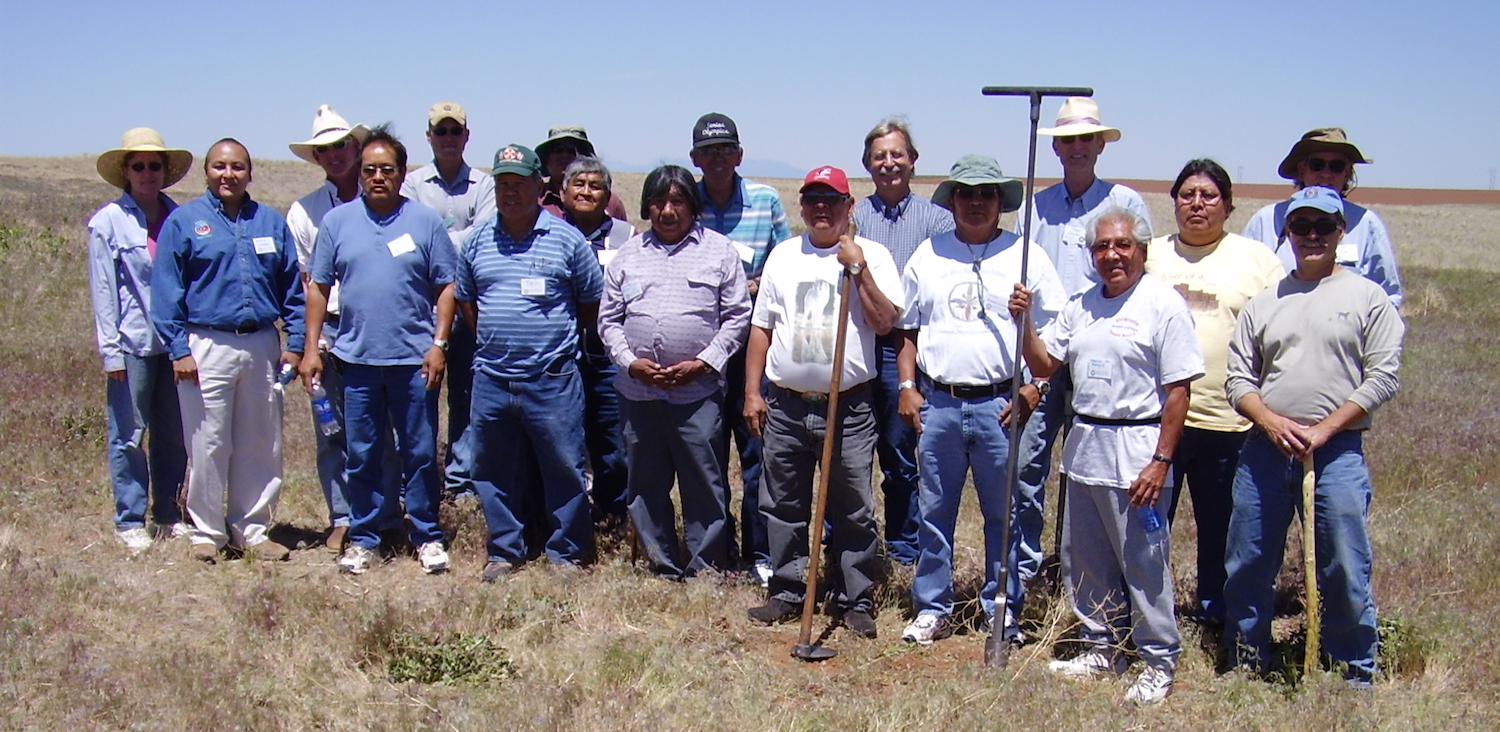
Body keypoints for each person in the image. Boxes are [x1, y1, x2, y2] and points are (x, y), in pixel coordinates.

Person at [1010, 207, 1204, 705]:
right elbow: (1044, 363)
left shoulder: (1163, 305)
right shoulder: (1082, 305)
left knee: (1143, 560)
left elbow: (1178, 391)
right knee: (1087, 559)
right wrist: (1024, 321)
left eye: (1122, 245)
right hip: (1086, 446)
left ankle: (1158, 658)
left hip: (1138, 448)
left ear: (1141, 249)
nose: (1112, 255)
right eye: (1102, 247)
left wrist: (1160, 461)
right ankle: (1103, 646)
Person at [1222, 186, 1404, 688]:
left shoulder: (1367, 298)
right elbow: (1238, 380)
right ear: (1289, 234)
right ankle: (1245, 661)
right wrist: (1272, 423)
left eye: (1324, 226)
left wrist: (1325, 429)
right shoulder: (1265, 302)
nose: (1312, 236)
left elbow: (1383, 376)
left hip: (1337, 453)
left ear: (1341, 232)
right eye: (1302, 227)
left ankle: (1352, 668)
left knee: (1344, 563)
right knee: (1249, 561)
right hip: (1265, 451)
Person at [895, 156, 1064, 645]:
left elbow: (1055, 336)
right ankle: (931, 607)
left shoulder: (1024, 255)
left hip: (1002, 406)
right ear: (952, 201)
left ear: (999, 203)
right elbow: (908, 329)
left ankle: (1002, 607)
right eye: (966, 194)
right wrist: (908, 388)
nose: (976, 202)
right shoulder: (929, 254)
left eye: (986, 194)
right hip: (940, 402)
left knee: (1004, 513)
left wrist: (1036, 387)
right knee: (934, 510)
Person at [743, 166, 900, 638]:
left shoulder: (870, 255)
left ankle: (855, 597)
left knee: (852, 505)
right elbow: (761, 329)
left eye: (831, 200)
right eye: (812, 199)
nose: (821, 209)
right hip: (787, 404)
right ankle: (789, 589)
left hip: (846, 406)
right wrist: (752, 392)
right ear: (803, 206)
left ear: (849, 206)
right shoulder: (784, 256)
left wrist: (858, 269)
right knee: (782, 501)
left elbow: (886, 321)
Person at [301, 127, 457, 576]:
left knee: (420, 451)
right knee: (363, 451)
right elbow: (318, 288)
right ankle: (365, 536)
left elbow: (446, 286)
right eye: (369, 170)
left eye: (387, 170)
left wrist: (439, 344)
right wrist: (312, 349)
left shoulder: (424, 222)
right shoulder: (337, 223)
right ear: (360, 173)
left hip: (414, 360)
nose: (377, 177)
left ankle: (427, 533)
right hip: (357, 360)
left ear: (402, 173)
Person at [1015, 97, 1154, 594]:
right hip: (1047, 359)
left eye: (1084, 140)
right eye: (1067, 140)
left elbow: (1140, 278)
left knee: (1091, 473)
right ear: (1056, 149)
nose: (1076, 148)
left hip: (1105, 356)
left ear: (1100, 144)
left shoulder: (1125, 204)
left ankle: (1088, 572)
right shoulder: (1037, 207)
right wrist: (1035, 375)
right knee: (1027, 466)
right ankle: (1026, 573)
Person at [1144, 159, 1285, 626]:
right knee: (1148, 525)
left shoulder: (1257, 260)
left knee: (1219, 527)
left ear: (1228, 205)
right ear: (1174, 203)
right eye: (1187, 195)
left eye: (1208, 196)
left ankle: (1215, 615)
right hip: (1158, 419)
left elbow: (1278, 334)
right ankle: (1147, 610)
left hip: (1228, 421)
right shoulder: (1151, 256)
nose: (1197, 204)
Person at [151, 139, 305, 564]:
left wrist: (294, 344)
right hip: (206, 344)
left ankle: (252, 529)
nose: (228, 175)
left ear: (250, 173)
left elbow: (292, 288)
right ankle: (207, 532)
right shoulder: (185, 223)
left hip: (260, 343)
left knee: (260, 440)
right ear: (206, 172)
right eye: (219, 166)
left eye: (237, 167)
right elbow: (166, 292)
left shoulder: (270, 223)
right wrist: (179, 349)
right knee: (208, 440)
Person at [455, 144, 603, 581]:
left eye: (520, 183)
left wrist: (550, 343)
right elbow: (467, 301)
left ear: (541, 186)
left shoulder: (566, 239)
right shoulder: (477, 239)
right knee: (492, 467)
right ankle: (505, 549)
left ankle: (568, 553)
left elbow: (589, 302)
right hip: (493, 377)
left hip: (552, 378)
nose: (511, 192)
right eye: (503, 183)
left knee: (563, 466)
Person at [597, 165, 750, 578]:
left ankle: (707, 569)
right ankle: (661, 565)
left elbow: (737, 317)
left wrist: (703, 363)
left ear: (692, 205)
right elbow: (607, 321)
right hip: (638, 392)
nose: (667, 210)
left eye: (677, 200)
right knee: (645, 485)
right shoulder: (628, 254)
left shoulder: (719, 251)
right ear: (647, 206)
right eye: (658, 201)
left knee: (704, 483)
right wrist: (631, 363)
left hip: (696, 392)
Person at [691, 112, 793, 584]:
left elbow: (786, 266)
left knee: (757, 456)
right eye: (708, 152)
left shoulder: (765, 201)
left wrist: (749, 287)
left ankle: (759, 551)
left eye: (725, 150)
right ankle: (714, 548)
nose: (717, 159)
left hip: (755, 348)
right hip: (702, 351)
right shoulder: (684, 201)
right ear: (695, 158)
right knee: (707, 456)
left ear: (739, 155)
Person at [851, 117, 955, 566]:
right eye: (879, 156)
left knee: (899, 452)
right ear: (867, 165)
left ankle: (903, 547)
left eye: (897, 154)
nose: (889, 163)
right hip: (858, 346)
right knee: (848, 453)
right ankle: (845, 541)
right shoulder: (853, 217)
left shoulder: (937, 220)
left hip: (903, 350)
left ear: (913, 161)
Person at [284, 104, 386, 554]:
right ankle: (343, 516)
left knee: (384, 427)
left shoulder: (386, 203)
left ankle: (387, 512)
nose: (334, 155)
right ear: (318, 159)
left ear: (355, 147)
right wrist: (310, 342)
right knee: (333, 429)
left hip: (381, 329)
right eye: (324, 150)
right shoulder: (304, 213)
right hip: (329, 330)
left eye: (341, 144)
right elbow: (304, 284)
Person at [87, 127, 192, 553]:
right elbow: (103, 291)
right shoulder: (107, 222)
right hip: (131, 346)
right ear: (125, 172)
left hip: (174, 346)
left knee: (173, 435)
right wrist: (109, 350)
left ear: (165, 171)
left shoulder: (178, 216)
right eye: (139, 166)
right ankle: (130, 519)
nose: (147, 172)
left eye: (155, 165)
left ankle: (168, 514)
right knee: (129, 435)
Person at [400, 101, 495, 499]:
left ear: (467, 136)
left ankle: (461, 482)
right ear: (429, 137)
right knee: (421, 395)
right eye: (442, 131)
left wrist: (435, 239)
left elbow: (484, 238)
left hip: (472, 306)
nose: (449, 138)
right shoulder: (411, 184)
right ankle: (418, 483)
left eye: (456, 131)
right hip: (426, 309)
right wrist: (455, 240)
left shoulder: (485, 183)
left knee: (468, 395)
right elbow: (408, 240)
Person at [1242, 128, 1402, 309]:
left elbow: (1388, 296)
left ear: (1348, 173)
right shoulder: (1266, 221)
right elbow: (1241, 287)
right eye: (1317, 165)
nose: (1326, 174)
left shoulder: (1366, 224)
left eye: (1336, 166)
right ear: (1301, 170)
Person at [558, 157, 635, 526]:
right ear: (562, 191)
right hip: (560, 360)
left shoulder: (628, 237)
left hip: (609, 360)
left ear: (608, 195)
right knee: (562, 442)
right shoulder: (549, 231)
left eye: (595, 186)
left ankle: (612, 516)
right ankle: (567, 519)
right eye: (579, 184)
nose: (587, 192)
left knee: (613, 446)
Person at [537, 125, 629, 221]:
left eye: (572, 150)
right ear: (546, 159)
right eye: (558, 150)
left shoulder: (611, 203)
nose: (565, 155)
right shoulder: (534, 199)